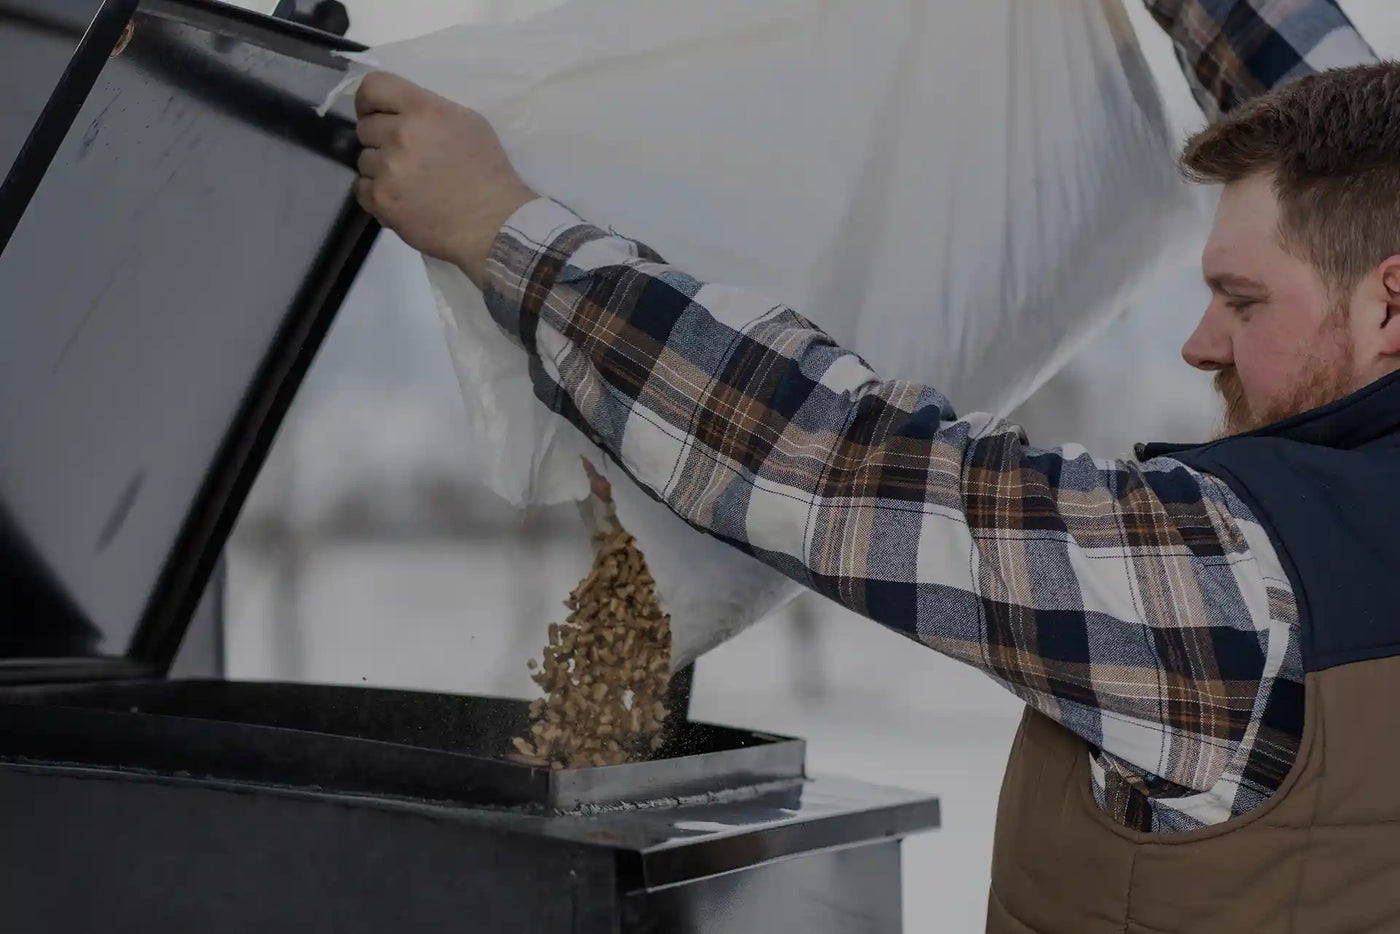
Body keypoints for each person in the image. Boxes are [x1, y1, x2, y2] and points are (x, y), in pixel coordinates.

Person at [350, 2, 1396, 930]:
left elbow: (842, 466)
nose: (1201, 345)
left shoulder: (1245, 592)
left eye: (1243, 301)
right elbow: (1349, 116)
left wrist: (499, 229)